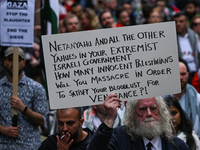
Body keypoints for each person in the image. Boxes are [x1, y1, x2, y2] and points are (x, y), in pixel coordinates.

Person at [86, 94, 189, 150]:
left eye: (153, 108)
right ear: (133, 114)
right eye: (142, 109)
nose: (149, 114)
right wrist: (109, 119)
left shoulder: (178, 145)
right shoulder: (119, 138)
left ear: (161, 111)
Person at [0, 47, 48, 150]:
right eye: (10, 59)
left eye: (18, 60)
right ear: (5, 62)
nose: (14, 63)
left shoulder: (36, 88)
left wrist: (24, 108)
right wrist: (3, 130)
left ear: (24, 63)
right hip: (4, 145)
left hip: (30, 146)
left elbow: (42, 121)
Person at [169, 58, 200, 136]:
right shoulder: (162, 98)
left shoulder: (197, 98)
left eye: (183, 74)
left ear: (188, 75)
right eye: (177, 74)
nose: (180, 78)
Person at [174, 12, 199, 81]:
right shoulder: (171, 38)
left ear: (187, 23)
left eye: (181, 21)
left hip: (196, 70)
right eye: (176, 22)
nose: (178, 24)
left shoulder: (194, 36)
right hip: (181, 73)